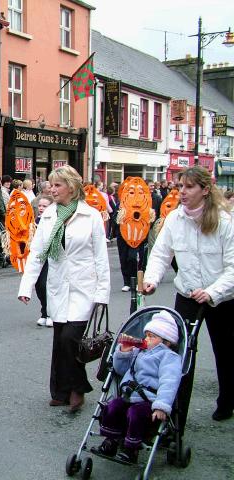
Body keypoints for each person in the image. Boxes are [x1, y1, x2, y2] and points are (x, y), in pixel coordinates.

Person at [143, 166, 234, 424]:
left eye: (189, 187)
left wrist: (213, 291)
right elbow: (161, 253)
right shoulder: (174, 219)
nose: (182, 192)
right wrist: (151, 280)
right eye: (180, 186)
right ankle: (176, 416)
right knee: (180, 355)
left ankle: (227, 401)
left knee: (225, 352)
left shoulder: (225, 222)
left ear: (205, 190)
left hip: (222, 297)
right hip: (187, 293)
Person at [18, 165, 110, 413]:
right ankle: (60, 391)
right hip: (58, 286)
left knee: (71, 338)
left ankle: (78, 387)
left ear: (71, 187)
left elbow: (101, 258)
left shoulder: (90, 216)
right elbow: (37, 254)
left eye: (57, 185)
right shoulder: (48, 216)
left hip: (84, 286)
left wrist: (102, 294)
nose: (52, 189)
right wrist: (26, 286)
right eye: (51, 184)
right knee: (60, 340)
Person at [92, 311, 182, 463]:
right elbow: (120, 370)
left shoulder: (169, 357)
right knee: (113, 405)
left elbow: (169, 382)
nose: (146, 339)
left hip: (149, 400)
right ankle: (110, 441)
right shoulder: (139, 351)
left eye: (151, 336)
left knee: (136, 413)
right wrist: (123, 353)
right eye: (146, 335)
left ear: (166, 342)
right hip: (129, 394)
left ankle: (131, 449)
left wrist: (162, 406)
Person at [34, 194, 53, 327]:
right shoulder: (35, 220)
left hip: (50, 257)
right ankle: (44, 312)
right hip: (38, 257)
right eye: (39, 206)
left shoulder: (54, 220)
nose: (41, 208)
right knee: (38, 285)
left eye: (44, 206)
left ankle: (50, 313)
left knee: (46, 285)